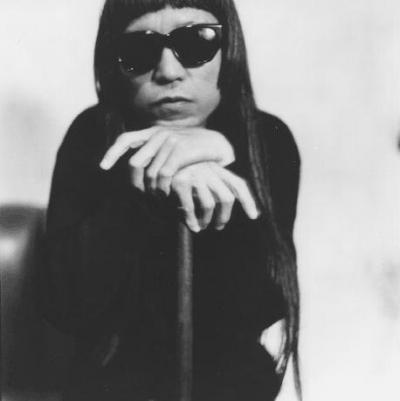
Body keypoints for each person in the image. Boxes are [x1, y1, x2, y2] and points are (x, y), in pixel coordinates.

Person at [40, 0, 301, 400]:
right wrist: (138, 191)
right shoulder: (91, 135)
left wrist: (223, 156)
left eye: (197, 43)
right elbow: (64, 305)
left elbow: (264, 304)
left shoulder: (267, 139)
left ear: (229, 50)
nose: (168, 71)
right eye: (139, 50)